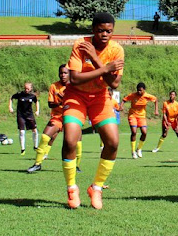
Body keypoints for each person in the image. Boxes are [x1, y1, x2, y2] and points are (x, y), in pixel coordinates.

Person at [61, 12, 125, 210]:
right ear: (92, 30)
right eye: (100, 30)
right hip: (76, 96)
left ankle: (96, 188)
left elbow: (113, 83)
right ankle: (72, 188)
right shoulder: (81, 44)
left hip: (99, 98)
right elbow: (75, 79)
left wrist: (96, 60)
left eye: (109, 31)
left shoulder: (117, 50)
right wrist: (106, 68)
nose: (104, 34)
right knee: (70, 140)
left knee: (113, 142)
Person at [28, 65, 83, 173]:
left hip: (72, 116)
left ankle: (76, 166)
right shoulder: (54, 86)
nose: (63, 75)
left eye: (65, 73)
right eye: (61, 73)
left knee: (77, 143)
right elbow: (50, 104)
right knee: (44, 137)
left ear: (70, 74)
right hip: (57, 117)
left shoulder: (75, 86)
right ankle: (37, 164)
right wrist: (61, 101)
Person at [121, 82, 158, 159]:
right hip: (132, 115)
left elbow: (155, 100)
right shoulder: (133, 95)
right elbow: (124, 99)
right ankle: (133, 151)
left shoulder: (147, 96)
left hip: (141, 116)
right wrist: (121, 106)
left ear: (144, 90)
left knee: (144, 133)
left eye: (140, 90)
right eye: (138, 90)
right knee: (134, 132)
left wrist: (156, 110)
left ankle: (139, 149)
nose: (139, 92)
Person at [9, 82, 40, 155]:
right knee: (22, 132)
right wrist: (10, 107)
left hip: (29, 115)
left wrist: (37, 110)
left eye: (28, 88)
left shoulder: (32, 96)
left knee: (35, 131)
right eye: (25, 88)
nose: (26, 90)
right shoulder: (20, 94)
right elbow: (11, 97)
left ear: (31, 89)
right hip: (21, 115)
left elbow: (36, 102)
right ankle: (23, 149)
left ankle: (35, 146)